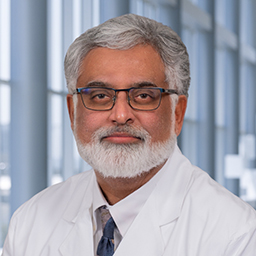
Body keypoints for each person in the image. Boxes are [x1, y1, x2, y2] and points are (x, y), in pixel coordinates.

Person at [2, 14, 256, 256]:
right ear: (73, 112)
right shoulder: (30, 222)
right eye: (100, 96)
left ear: (177, 113)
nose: (121, 115)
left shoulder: (237, 234)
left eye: (143, 96)